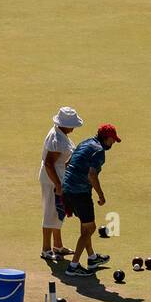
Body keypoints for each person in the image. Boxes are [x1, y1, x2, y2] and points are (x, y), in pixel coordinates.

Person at [61, 123, 119, 277]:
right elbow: (92, 175)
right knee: (91, 229)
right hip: (79, 193)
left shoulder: (86, 142)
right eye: (112, 139)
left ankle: (92, 258)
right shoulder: (99, 151)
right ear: (106, 138)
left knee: (85, 226)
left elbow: (67, 164)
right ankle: (73, 266)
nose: (113, 142)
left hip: (67, 189)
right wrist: (100, 194)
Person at [39, 107, 82, 260]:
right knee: (50, 213)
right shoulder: (56, 138)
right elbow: (49, 164)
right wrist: (57, 184)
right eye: (72, 125)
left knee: (58, 212)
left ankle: (57, 246)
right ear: (64, 124)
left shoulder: (62, 133)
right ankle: (46, 249)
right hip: (52, 180)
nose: (74, 128)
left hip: (59, 179)